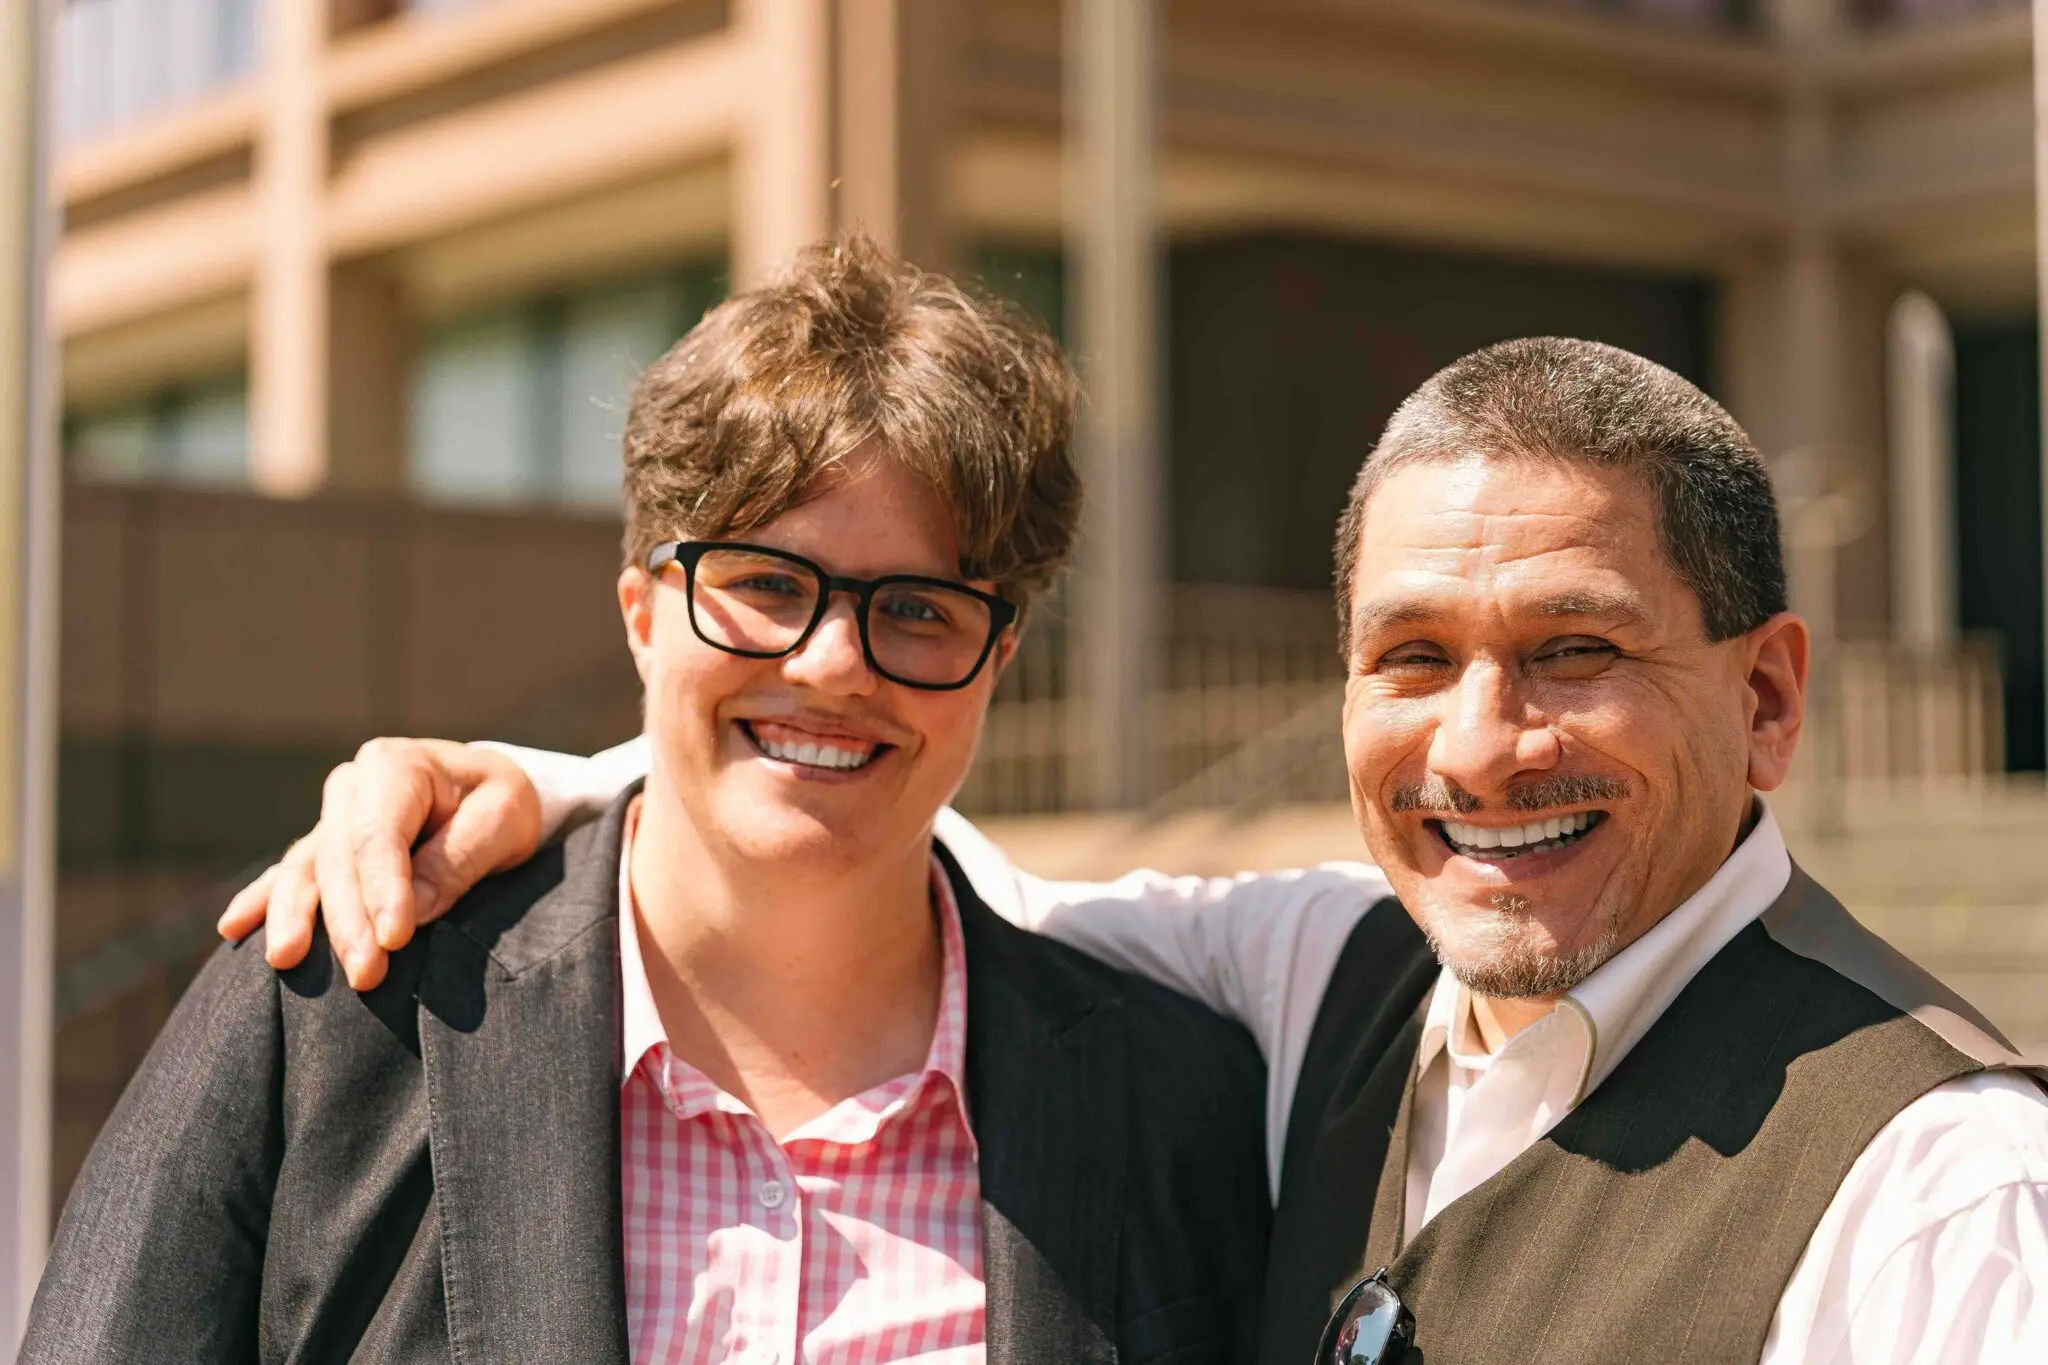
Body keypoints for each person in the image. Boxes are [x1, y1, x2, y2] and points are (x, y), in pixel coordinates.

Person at [226, 335, 2048, 1365]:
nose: (1482, 745)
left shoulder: (1942, 1189)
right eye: (1410, 659)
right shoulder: (1323, 985)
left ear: (1769, 698)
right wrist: (552, 778)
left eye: (1573, 650)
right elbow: (897, 853)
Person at [24, 237, 1273, 1365]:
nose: (832, 663)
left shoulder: (1174, 1106)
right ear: (642, 613)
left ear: (994, 663)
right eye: (766, 585)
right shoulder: (332, 1015)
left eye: (917, 610)